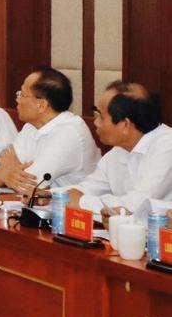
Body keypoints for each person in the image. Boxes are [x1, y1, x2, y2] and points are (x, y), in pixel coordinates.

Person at [67, 81, 172, 217]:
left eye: (101, 117)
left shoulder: (167, 146)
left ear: (125, 124)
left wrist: (82, 202)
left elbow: (137, 205)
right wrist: (50, 195)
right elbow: (89, 187)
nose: (96, 123)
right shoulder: (120, 148)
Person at [0, 67, 98, 192]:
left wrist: (8, 172)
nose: (17, 99)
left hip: (73, 203)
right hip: (37, 202)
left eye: (22, 94)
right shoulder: (31, 127)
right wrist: (7, 174)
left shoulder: (69, 133)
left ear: (41, 105)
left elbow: (30, 185)